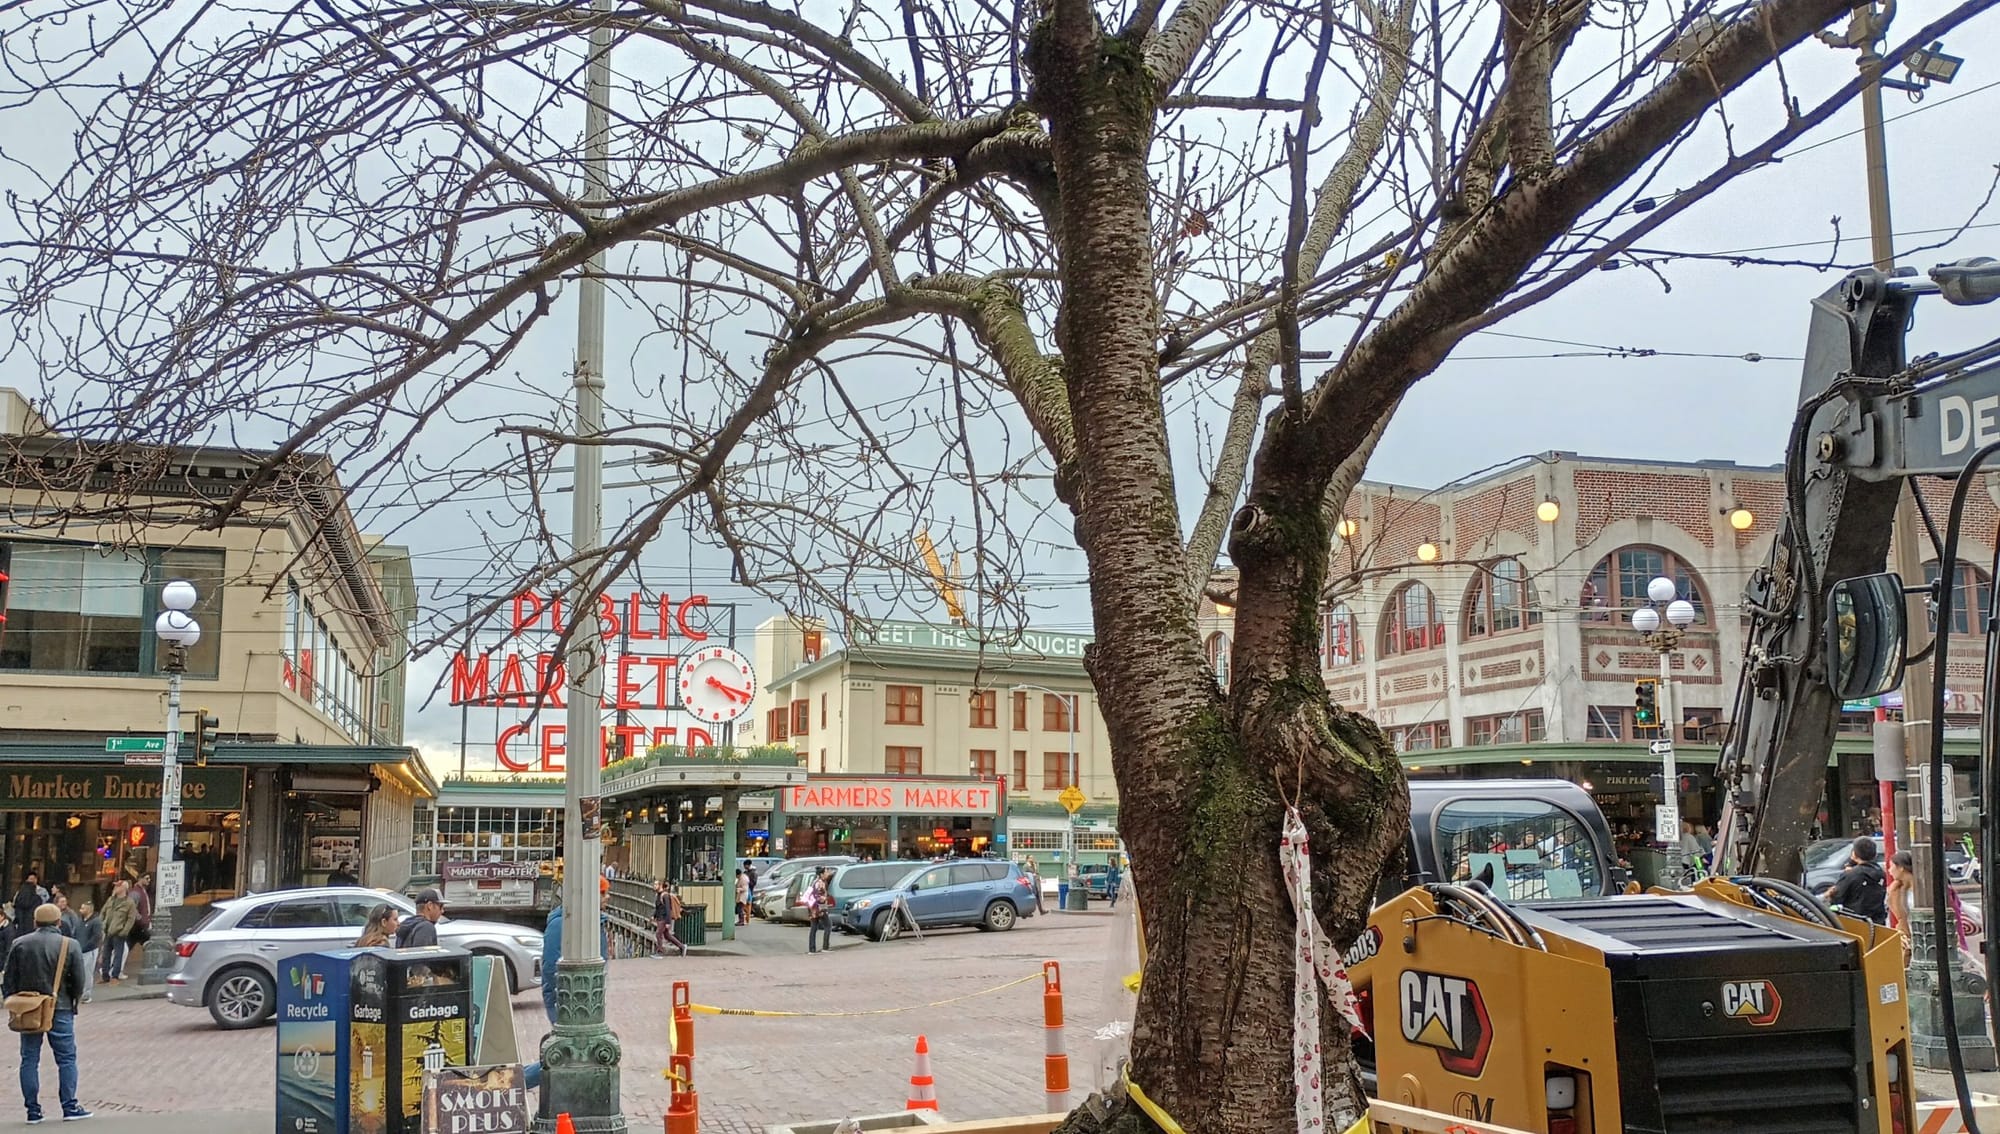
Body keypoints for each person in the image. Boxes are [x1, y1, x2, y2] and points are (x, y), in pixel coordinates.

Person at [4, 903, 90, 1123]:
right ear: (58, 923)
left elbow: (9, 979)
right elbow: (79, 981)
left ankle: (33, 1111)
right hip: (59, 1006)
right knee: (66, 1058)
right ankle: (69, 1106)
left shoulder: (19, 943)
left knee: (29, 1058)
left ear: (35, 922)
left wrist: (14, 1001)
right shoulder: (69, 945)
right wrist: (73, 1001)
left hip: (29, 1007)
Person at [523, 903, 564, 1093]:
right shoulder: (560, 924)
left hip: (586, 998)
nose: (608, 897)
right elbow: (550, 965)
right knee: (564, 1053)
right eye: (603, 893)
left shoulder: (595, 922)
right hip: (566, 998)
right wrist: (559, 994)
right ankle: (518, 1081)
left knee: (565, 1053)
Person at [1822, 835, 1888, 924]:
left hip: (1856, 922)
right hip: (1878, 922)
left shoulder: (1852, 874)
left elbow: (1836, 897)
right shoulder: (1881, 873)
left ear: (1854, 853)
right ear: (1875, 854)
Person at [98, 881, 136, 986]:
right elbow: (103, 912)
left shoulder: (129, 902)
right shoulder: (111, 900)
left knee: (118, 955)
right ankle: (105, 976)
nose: (115, 888)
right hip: (108, 931)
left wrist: (124, 931)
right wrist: (102, 924)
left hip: (118, 932)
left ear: (124, 888)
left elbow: (131, 918)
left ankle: (115, 976)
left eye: (118, 886)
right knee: (106, 954)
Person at [74, 903, 102, 1005]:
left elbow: (96, 937)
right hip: (79, 949)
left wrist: (86, 947)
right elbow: (75, 933)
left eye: (83, 908)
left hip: (89, 951)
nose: (80, 910)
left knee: (87, 972)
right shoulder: (79, 921)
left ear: (89, 910)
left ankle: (86, 994)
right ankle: (78, 993)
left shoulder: (96, 922)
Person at [804, 867, 834, 955]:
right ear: (821, 874)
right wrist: (825, 902)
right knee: (828, 925)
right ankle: (825, 946)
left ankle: (812, 949)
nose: (827, 874)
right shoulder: (820, 883)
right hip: (819, 908)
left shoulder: (814, 882)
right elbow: (820, 897)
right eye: (826, 872)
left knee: (814, 927)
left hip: (812, 907)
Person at [653, 882, 687, 957]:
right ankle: (682, 946)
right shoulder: (658, 895)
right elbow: (658, 907)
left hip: (664, 918)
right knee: (667, 935)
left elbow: (668, 909)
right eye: (654, 885)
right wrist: (654, 916)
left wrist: (668, 922)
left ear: (660, 885)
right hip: (659, 917)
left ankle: (660, 951)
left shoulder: (665, 895)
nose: (654, 886)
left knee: (658, 933)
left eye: (656, 885)